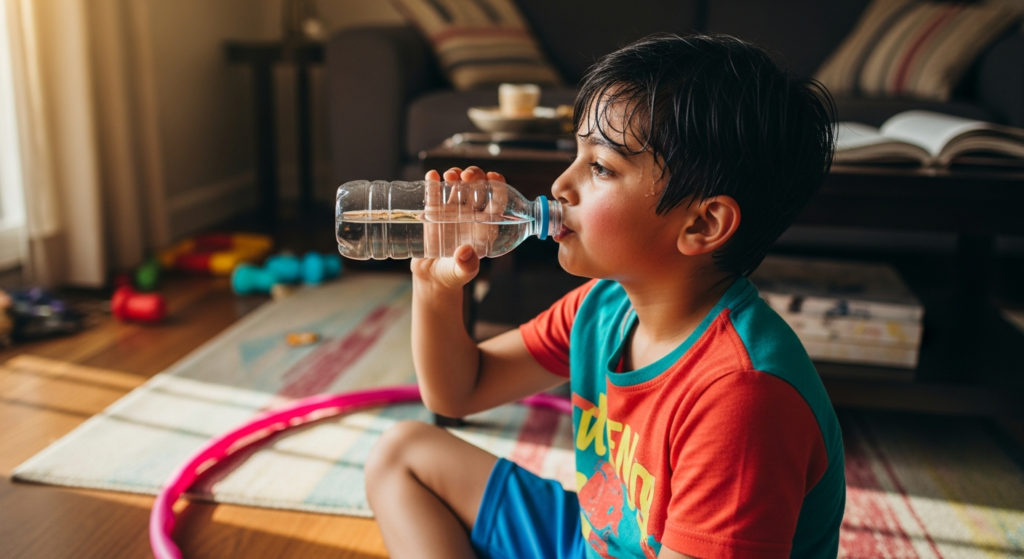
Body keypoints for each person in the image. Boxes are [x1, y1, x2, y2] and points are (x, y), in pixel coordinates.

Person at [364, 33, 845, 559]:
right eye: (577, 154)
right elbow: (459, 390)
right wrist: (434, 286)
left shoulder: (742, 395)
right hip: (596, 539)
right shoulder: (604, 306)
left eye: (600, 168)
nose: (561, 186)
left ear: (703, 223)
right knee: (401, 454)